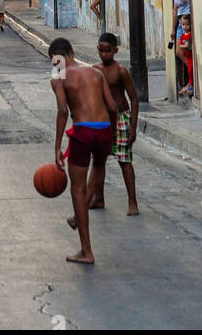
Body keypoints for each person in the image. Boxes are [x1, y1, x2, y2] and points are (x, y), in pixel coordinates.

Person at [49, 36, 118, 266]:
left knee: (77, 190)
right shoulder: (95, 72)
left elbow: (62, 110)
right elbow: (112, 107)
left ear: (56, 59)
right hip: (104, 129)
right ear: (72, 52)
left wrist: (58, 145)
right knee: (99, 166)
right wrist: (114, 136)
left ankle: (86, 250)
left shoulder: (59, 77)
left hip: (83, 132)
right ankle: (79, 217)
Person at [93, 33, 140, 216]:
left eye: (108, 51)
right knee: (99, 161)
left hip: (121, 118)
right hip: (101, 120)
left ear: (115, 51)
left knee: (124, 160)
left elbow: (134, 99)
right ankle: (98, 198)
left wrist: (133, 128)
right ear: (97, 49)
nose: (104, 55)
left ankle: (132, 202)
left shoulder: (121, 71)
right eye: (101, 51)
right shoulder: (94, 70)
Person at [159, 0, 191, 72]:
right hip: (181, 23)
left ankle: (193, 76)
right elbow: (175, 9)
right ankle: (192, 77)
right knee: (179, 52)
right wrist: (173, 29)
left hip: (187, 22)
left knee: (182, 52)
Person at [178, 14, 194, 95]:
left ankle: (191, 85)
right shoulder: (183, 36)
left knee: (191, 70)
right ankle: (191, 84)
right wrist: (185, 46)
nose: (185, 27)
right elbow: (181, 45)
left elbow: (189, 45)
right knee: (189, 70)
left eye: (187, 24)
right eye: (183, 24)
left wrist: (185, 46)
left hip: (191, 56)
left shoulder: (191, 35)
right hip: (187, 57)